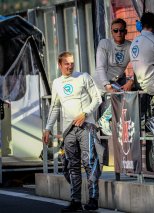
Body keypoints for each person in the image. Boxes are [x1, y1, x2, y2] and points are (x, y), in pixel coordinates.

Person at [42, 51, 102, 212]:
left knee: (89, 162)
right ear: (60, 65)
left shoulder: (83, 77)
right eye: (66, 63)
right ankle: (75, 200)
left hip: (86, 126)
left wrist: (85, 113)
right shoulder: (57, 83)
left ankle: (93, 199)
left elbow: (98, 98)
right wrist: (48, 128)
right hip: (68, 130)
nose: (70, 66)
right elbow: (55, 107)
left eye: (71, 62)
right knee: (72, 166)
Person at [94, 18, 134, 136]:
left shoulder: (130, 46)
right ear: (111, 32)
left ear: (126, 32)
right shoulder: (105, 44)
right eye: (115, 31)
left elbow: (138, 65)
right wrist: (107, 85)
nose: (119, 33)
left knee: (130, 91)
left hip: (117, 82)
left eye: (121, 30)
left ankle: (139, 117)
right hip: (102, 82)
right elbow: (100, 67)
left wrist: (131, 81)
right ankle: (103, 120)